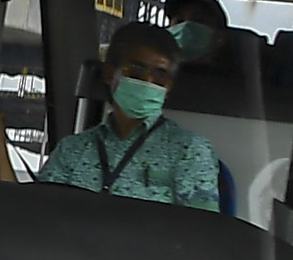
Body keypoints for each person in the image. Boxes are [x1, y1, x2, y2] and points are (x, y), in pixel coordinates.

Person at [42, 23, 227, 209]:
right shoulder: (71, 150)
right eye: (137, 70)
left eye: (160, 75)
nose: (148, 81)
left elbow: (200, 225)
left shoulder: (190, 150)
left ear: (169, 87)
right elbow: (42, 213)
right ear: (110, 74)